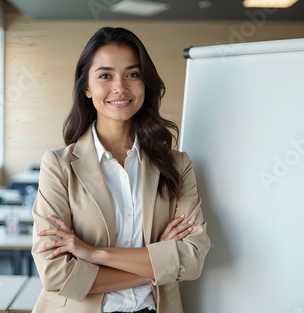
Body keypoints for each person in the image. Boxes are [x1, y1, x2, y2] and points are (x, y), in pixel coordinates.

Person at [31, 26, 210, 313]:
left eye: (132, 74)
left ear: (145, 83)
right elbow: (57, 275)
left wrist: (94, 254)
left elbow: (191, 260)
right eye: (105, 75)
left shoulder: (177, 165)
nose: (120, 87)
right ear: (86, 87)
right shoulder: (59, 166)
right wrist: (157, 261)